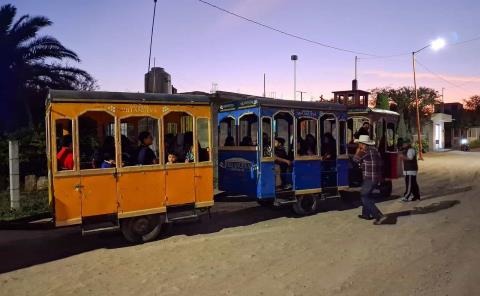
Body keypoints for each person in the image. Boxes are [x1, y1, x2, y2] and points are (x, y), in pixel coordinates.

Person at [353, 135, 387, 225]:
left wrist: (357, 152)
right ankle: (366, 214)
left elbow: (355, 160)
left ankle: (379, 216)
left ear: (363, 144)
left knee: (364, 196)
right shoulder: (375, 151)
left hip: (369, 178)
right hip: (376, 177)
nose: (359, 145)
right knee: (368, 195)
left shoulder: (363, 151)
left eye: (359, 143)